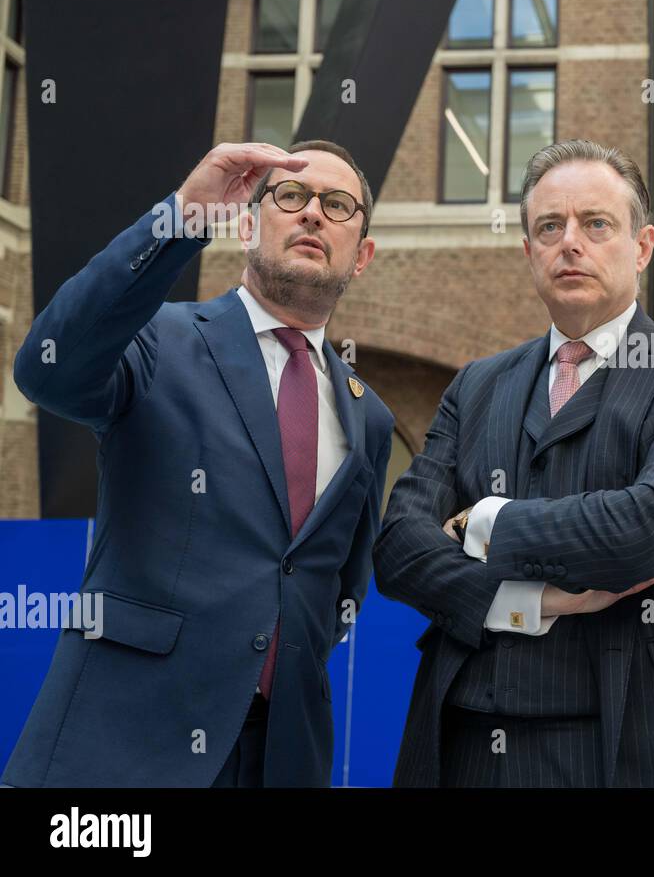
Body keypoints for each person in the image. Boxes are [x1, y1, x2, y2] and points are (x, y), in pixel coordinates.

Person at [3, 141, 393, 787]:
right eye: (291, 196)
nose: (313, 215)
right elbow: (48, 369)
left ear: (363, 255)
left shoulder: (369, 419)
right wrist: (181, 216)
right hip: (121, 758)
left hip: (279, 759)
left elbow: (338, 590)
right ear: (245, 225)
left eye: (338, 204)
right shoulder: (160, 339)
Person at [373, 138, 654, 787]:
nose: (570, 242)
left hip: (636, 742)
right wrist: (524, 601)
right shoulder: (477, 386)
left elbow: (645, 529)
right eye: (549, 226)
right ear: (529, 253)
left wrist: (484, 521)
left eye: (596, 223)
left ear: (642, 245)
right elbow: (399, 548)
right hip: (467, 744)